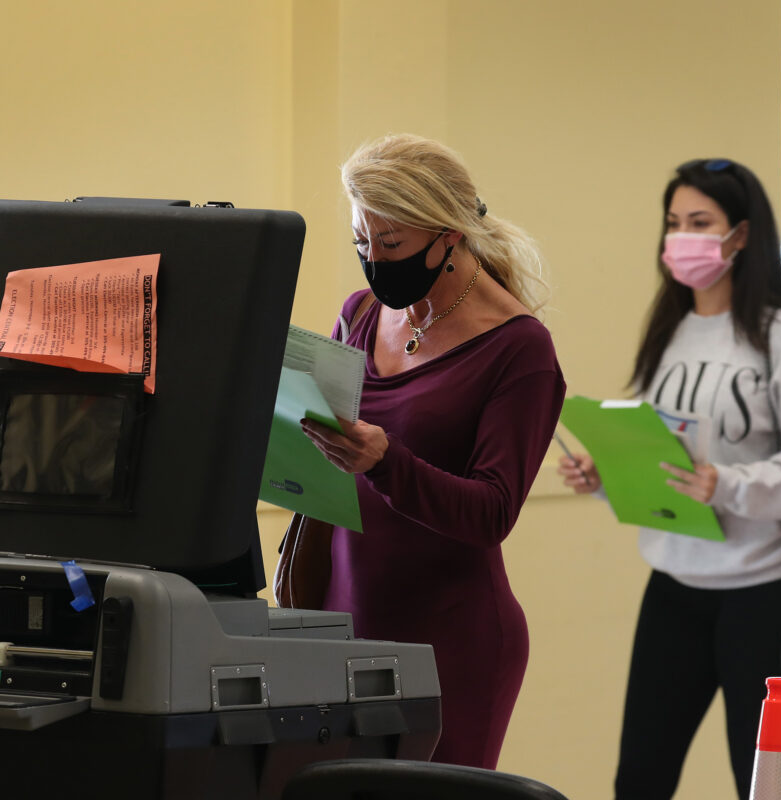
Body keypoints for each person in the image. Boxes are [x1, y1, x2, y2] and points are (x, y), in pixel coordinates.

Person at [557, 158, 781, 799]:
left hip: (768, 592)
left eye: (700, 222)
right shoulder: (671, 329)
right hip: (676, 584)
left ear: (740, 236)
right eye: (672, 223)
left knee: (763, 783)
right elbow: (660, 450)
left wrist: (730, 485)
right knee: (640, 776)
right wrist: (604, 473)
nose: (680, 237)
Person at [300, 133, 566, 768]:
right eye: (362, 243)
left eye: (391, 245)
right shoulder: (360, 314)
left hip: (452, 640)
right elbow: (326, 466)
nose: (374, 261)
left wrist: (386, 463)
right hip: (346, 622)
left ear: (448, 234)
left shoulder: (518, 349)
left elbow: (493, 512)